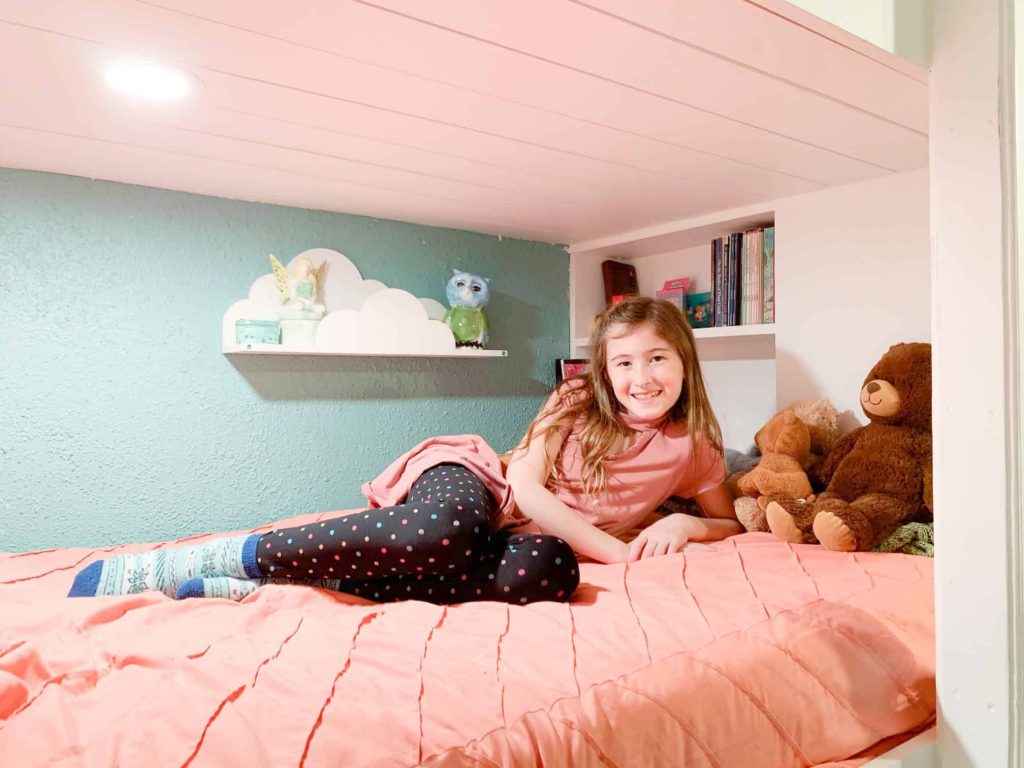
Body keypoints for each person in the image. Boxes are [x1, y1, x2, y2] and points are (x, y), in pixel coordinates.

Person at [68, 297, 739, 605]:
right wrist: (620, 551)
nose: (641, 378)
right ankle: (218, 557)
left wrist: (684, 521)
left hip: (511, 540)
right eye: (624, 363)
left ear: (684, 361)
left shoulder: (693, 445)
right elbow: (527, 491)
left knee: (552, 572)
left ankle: (277, 586)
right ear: (604, 372)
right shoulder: (575, 404)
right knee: (444, 530)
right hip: (478, 485)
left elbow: (733, 521)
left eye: (657, 358)